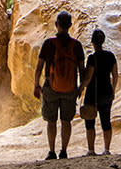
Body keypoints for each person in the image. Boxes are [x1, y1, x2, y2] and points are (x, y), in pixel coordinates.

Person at [33, 10, 85, 160]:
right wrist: (80, 88)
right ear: (70, 25)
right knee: (66, 121)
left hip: (51, 87)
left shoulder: (49, 43)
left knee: (51, 121)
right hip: (70, 88)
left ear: (56, 25)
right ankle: (63, 151)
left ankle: (51, 151)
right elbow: (82, 69)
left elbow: (39, 67)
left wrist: (36, 85)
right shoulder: (76, 45)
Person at [78, 28, 118, 155]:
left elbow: (88, 77)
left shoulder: (92, 58)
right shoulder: (111, 56)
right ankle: (106, 149)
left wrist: (80, 88)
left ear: (93, 42)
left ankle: (91, 150)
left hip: (93, 94)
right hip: (107, 91)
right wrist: (113, 89)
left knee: (90, 122)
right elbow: (115, 74)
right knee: (106, 121)